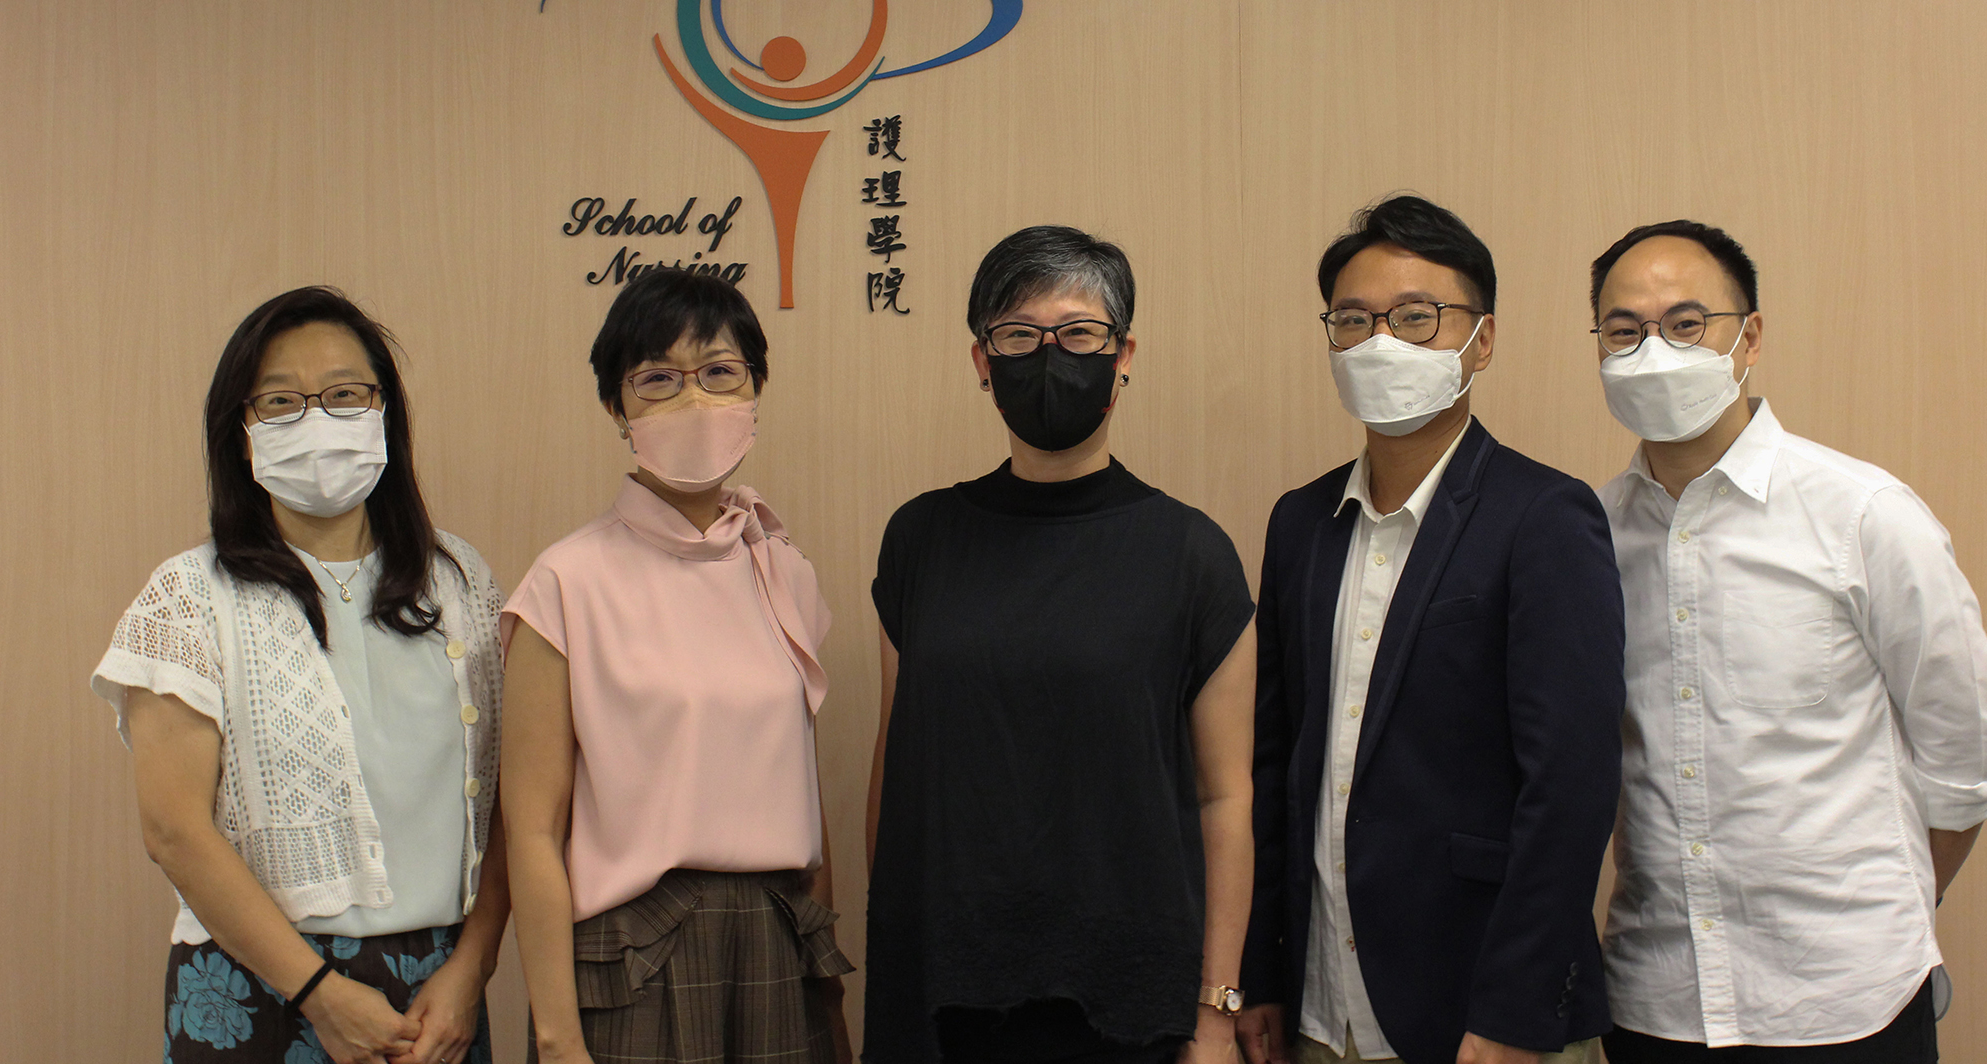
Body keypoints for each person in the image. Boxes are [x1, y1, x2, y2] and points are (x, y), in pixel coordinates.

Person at [1586, 221, 1987, 1063]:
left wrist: (1874, 919)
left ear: (1749, 336)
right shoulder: (1588, 538)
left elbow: (1966, 760)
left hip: (1847, 1000)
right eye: (1623, 331)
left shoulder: (1864, 513)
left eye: (1685, 324)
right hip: (1656, 1002)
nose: (1652, 352)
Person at [1237, 196, 1625, 1064]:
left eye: (1417, 317)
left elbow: (1571, 786)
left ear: (1481, 341)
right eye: (1353, 320)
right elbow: (1276, 762)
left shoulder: (1545, 517)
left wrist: (1515, 1014)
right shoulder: (1300, 522)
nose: (1382, 343)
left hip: (1475, 1014)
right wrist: (1261, 972)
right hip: (1318, 1009)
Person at [862, 225, 1258, 1064]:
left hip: (1130, 1004)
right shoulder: (921, 539)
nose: (1050, 357)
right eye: (1018, 334)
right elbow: (898, 764)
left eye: (1079, 333)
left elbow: (1226, 800)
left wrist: (1217, 1009)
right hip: (944, 997)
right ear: (982, 361)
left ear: (1123, 356)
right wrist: (895, 963)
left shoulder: (1193, 554)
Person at [91, 286, 510, 1064]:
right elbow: (173, 830)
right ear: (241, 434)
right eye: (281, 402)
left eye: (346, 394)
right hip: (256, 991)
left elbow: (513, 801)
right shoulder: (187, 599)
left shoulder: (461, 585)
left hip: (438, 998)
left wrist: (473, 968)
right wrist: (319, 992)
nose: (317, 419)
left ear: (385, 411)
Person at [502, 268, 851, 1064]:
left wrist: (826, 984)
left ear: (755, 390)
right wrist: (556, 1037)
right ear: (617, 407)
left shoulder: (783, 568)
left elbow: (802, 789)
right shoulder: (565, 581)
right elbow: (531, 831)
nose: (693, 399)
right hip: (633, 958)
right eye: (658, 378)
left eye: (720, 373)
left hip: (778, 938)